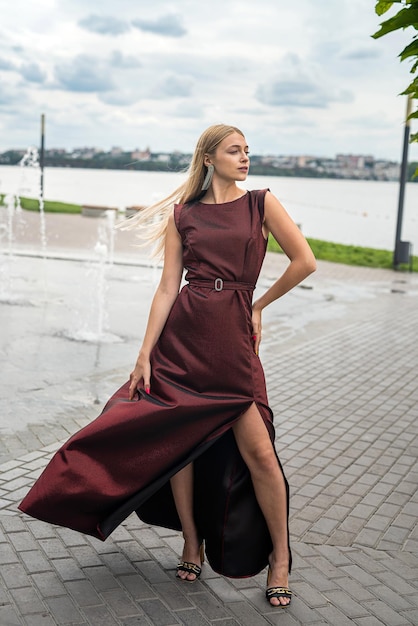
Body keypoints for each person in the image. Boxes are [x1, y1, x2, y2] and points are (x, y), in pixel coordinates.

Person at [19, 124, 316, 608]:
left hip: (234, 340)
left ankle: (280, 558)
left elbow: (304, 261)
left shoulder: (261, 202)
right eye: (234, 151)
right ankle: (191, 542)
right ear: (208, 159)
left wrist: (258, 306)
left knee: (261, 454)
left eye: (247, 151)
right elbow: (166, 288)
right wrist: (144, 355)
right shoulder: (184, 214)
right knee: (180, 445)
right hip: (183, 337)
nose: (245, 158)